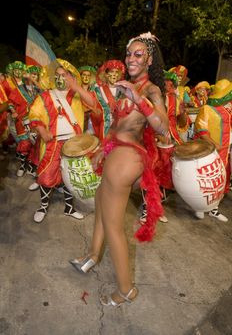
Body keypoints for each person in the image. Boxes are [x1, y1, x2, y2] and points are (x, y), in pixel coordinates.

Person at [68, 32, 169, 307]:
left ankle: (126, 289)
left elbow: (164, 127)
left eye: (138, 54)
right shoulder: (125, 86)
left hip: (127, 160)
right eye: (129, 54)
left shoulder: (150, 90)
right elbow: (116, 124)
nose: (131, 59)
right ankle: (92, 256)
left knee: (114, 226)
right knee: (101, 203)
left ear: (149, 60)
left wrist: (139, 99)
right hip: (115, 153)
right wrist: (102, 149)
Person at [29, 59, 98, 223]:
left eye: (64, 75)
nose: (61, 78)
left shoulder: (76, 95)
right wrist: (42, 130)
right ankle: (43, 206)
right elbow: (34, 115)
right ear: (53, 77)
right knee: (46, 176)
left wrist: (76, 87)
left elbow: (93, 103)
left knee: (70, 177)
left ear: (70, 77)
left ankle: (69, 208)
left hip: (73, 144)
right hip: (52, 143)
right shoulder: (45, 96)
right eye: (58, 75)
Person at [194, 78, 232, 221]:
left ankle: (214, 209)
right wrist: (213, 144)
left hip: (225, 152)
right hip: (209, 152)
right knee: (204, 180)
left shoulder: (228, 111)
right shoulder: (207, 109)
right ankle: (198, 206)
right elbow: (201, 129)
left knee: (221, 181)